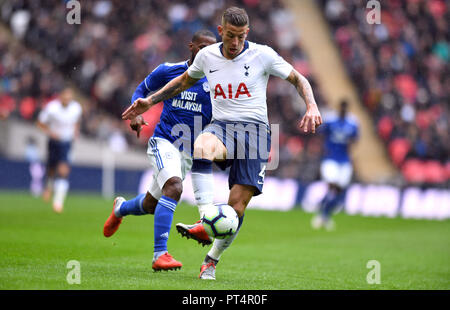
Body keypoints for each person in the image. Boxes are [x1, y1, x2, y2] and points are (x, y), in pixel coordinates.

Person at [122, 7, 322, 280]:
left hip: (256, 134)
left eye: (240, 36)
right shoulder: (207, 56)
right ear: (221, 31)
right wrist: (150, 101)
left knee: (236, 208)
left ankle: (211, 260)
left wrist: (310, 105)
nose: (235, 42)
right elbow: (182, 81)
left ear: (247, 33)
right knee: (202, 145)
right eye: (230, 35)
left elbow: (299, 79)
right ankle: (206, 219)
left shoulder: (262, 54)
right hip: (223, 127)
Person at [103, 30, 217, 272]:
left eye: (212, 48)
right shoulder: (168, 71)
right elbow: (141, 90)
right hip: (163, 142)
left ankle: (120, 208)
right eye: (203, 47)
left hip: (188, 153)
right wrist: (137, 114)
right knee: (174, 187)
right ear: (191, 47)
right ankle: (160, 254)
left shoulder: (216, 81)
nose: (207, 52)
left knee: (150, 204)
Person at [311, 100, 359, 231]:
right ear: (339, 108)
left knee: (339, 190)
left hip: (344, 160)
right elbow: (321, 133)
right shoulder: (330, 120)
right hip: (330, 159)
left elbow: (355, 139)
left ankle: (323, 210)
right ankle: (324, 213)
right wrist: (323, 149)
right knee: (332, 185)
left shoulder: (353, 123)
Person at [37, 87, 82, 213]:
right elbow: (40, 123)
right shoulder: (52, 108)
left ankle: (58, 202)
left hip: (66, 142)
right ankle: (49, 185)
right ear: (60, 97)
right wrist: (50, 133)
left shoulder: (76, 108)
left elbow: (77, 121)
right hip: (53, 141)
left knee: (63, 170)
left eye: (69, 97)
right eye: (65, 97)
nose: (67, 99)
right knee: (51, 168)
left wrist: (75, 131)